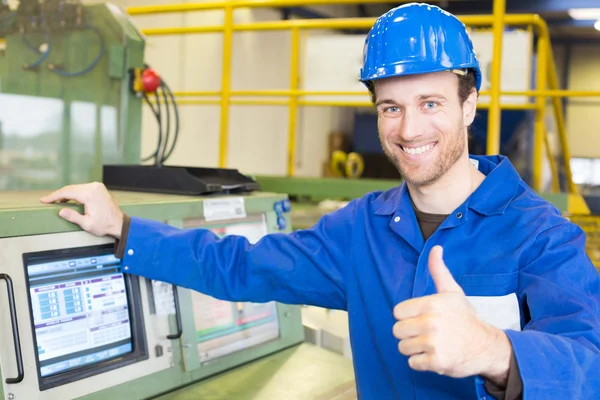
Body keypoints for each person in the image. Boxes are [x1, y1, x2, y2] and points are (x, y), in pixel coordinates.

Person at [41, 3, 600, 400]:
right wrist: (124, 230)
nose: (409, 128)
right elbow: (242, 265)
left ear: (470, 103)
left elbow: (592, 364)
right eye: (390, 107)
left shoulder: (540, 235)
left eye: (430, 102)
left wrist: (497, 353)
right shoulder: (362, 230)